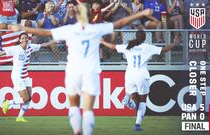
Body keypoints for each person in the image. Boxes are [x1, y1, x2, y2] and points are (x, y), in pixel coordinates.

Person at [9, 2, 153, 134]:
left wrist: (22, 28)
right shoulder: (96, 28)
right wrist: (141, 13)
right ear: (90, 15)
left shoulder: (69, 29)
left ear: (76, 14)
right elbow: (120, 22)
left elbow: (45, 32)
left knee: (74, 107)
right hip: (91, 72)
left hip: (73, 72)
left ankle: (77, 130)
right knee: (88, 110)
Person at [100, 30, 181, 131]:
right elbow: (164, 50)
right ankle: (137, 125)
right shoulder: (147, 47)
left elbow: (112, 47)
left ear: (136, 37)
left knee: (134, 101)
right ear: (144, 38)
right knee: (142, 101)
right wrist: (175, 43)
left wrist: (102, 42)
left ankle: (129, 102)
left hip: (129, 75)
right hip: (141, 75)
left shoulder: (128, 46)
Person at [0, 33, 55, 122]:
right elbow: (1, 53)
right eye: (22, 38)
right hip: (17, 76)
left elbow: (42, 45)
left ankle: (19, 117)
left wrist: (53, 41)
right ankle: (8, 102)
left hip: (25, 76)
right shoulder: (15, 49)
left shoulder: (31, 47)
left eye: (26, 38)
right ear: (19, 40)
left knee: (29, 99)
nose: (25, 40)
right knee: (25, 98)